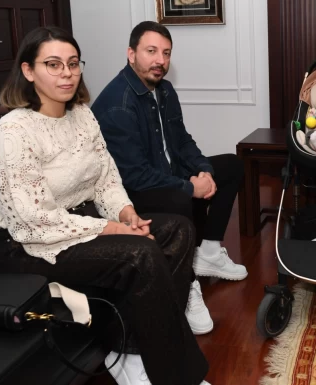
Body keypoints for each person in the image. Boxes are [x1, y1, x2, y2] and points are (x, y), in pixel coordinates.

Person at [0, 26, 210, 385]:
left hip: (82, 225)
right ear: (28, 71)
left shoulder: (82, 115)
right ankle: (177, 376)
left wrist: (127, 213)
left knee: (178, 230)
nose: (66, 73)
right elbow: (34, 218)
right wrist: (113, 228)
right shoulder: (14, 131)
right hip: (30, 244)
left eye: (73, 63)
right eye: (53, 64)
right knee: (141, 252)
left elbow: (106, 179)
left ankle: (131, 351)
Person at [91, 21, 246, 329]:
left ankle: (209, 252)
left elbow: (182, 141)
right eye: (151, 51)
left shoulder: (164, 90)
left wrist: (204, 171)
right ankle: (187, 285)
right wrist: (189, 187)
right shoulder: (118, 105)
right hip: (132, 193)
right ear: (131, 54)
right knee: (180, 198)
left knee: (231, 165)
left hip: (164, 173)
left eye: (166, 53)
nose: (160, 60)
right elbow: (134, 176)